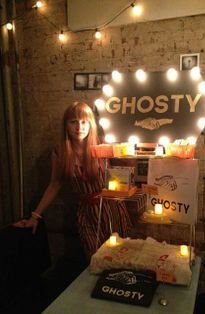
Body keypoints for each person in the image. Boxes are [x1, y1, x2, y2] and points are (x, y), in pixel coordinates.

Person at [17, 101, 132, 260]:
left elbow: (126, 167)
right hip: (86, 214)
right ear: (66, 125)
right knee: (95, 258)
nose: (79, 127)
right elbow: (55, 184)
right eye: (73, 122)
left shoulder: (102, 144)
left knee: (122, 256)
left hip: (112, 209)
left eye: (84, 122)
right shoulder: (60, 152)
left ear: (91, 124)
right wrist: (35, 216)